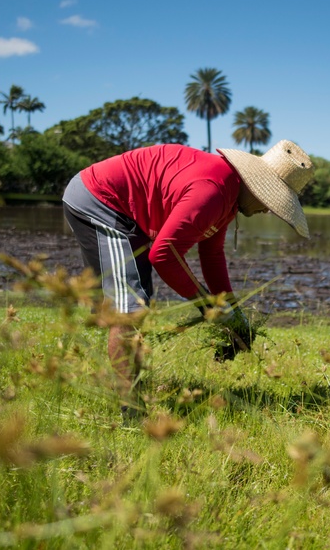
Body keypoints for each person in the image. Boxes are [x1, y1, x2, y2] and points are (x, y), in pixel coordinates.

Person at [62, 140, 314, 411]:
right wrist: (207, 304)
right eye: (270, 202)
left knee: (129, 300)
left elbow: (212, 255)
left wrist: (233, 312)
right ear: (256, 186)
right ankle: (130, 410)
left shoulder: (229, 194)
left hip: (126, 212)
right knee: (130, 307)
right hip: (99, 199)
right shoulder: (214, 191)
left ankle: (110, 379)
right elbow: (164, 255)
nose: (269, 210)